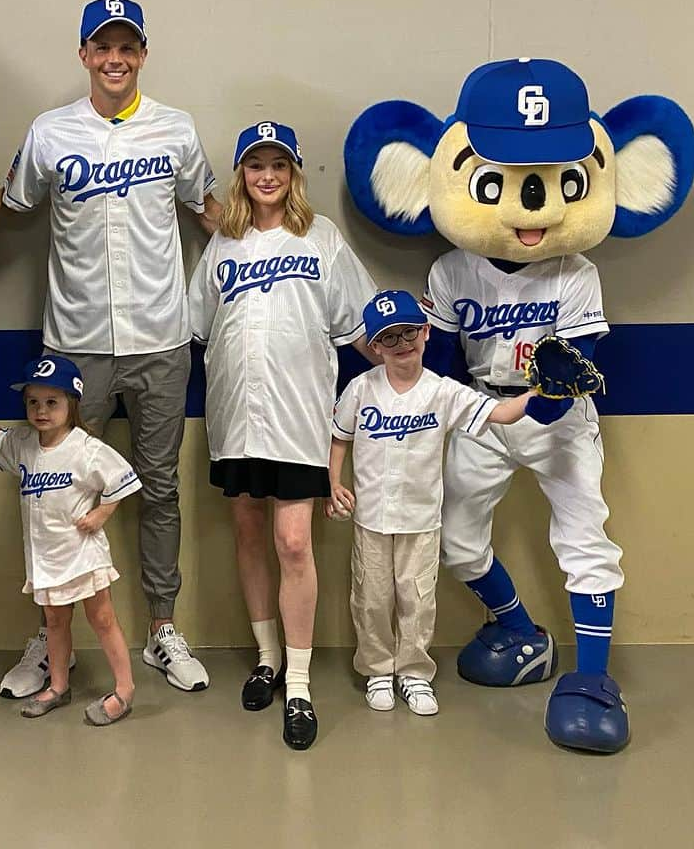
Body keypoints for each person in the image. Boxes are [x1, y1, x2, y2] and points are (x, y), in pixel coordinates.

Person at [0, 0, 220, 698]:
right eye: (102, 47)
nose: (115, 59)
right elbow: (12, 206)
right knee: (52, 489)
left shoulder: (175, 129)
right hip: (74, 346)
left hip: (160, 339)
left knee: (158, 489)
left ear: (142, 55)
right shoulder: (50, 132)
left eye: (128, 47)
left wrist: (284, 248)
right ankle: (51, 634)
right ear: (83, 54)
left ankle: (160, 630)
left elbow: (211, 213)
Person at [188, 122, 377, 750]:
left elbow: (361, 327)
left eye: (278, 165)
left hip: (299, 422)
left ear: (294, 172)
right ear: (241, 174)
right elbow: (199, 327)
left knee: (294, 543)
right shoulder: (224, 245)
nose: (266, 176)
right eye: (254, 166)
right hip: (237, 418)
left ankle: (298, 681)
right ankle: (267, 657)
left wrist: (408, 376)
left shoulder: (322, 239)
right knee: (247, 533)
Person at [328, 291, 535, 716]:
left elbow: (501, 414)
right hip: (371, 519)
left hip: (422, 519)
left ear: (425, 332)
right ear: (375, 346)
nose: (401, 343)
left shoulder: (442, 392)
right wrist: (333, 482)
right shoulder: (361, 389)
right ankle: (378, 672)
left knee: (418, 600)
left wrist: (542, 393)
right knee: (371, 598)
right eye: (389, 338)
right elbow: (340, 437)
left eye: (409, 332)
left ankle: (415, 674)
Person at [0, 356, 140, 726]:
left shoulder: (85, 447)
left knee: (102, 618)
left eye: (51, 402)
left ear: (72, 403)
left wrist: (101, 513)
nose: (41, 410)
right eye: (33, 402)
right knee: (55, 621)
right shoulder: (23, 443)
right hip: (44, 555)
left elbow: (123, 480)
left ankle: (125, 690)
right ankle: (58, 685)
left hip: (83, 554)